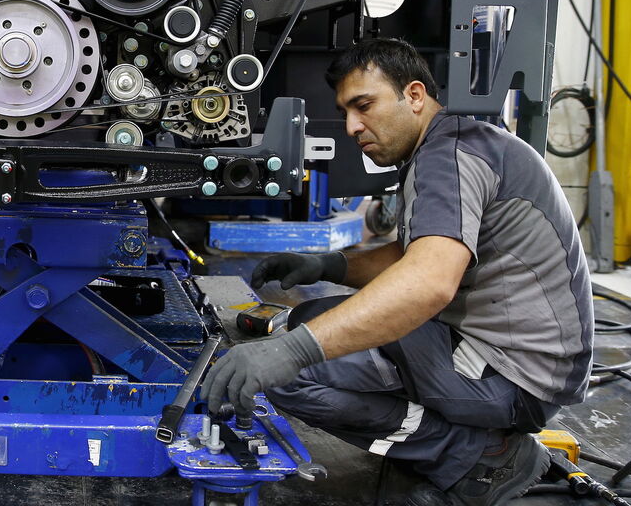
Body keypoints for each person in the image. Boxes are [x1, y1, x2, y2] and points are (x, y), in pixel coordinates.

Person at [201, 38, 593, 506]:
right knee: (313, 323)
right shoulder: (450, 145)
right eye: (346, 111)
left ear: (413, 95)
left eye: (363, 106)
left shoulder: (450, 157)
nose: (351, 126)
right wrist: (327, 265)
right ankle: (459, 438)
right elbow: (416, 253)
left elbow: (427, 282)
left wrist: (290, 353)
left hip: (515, 377)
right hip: (514, 360)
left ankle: (480, 456)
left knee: (288, 372)